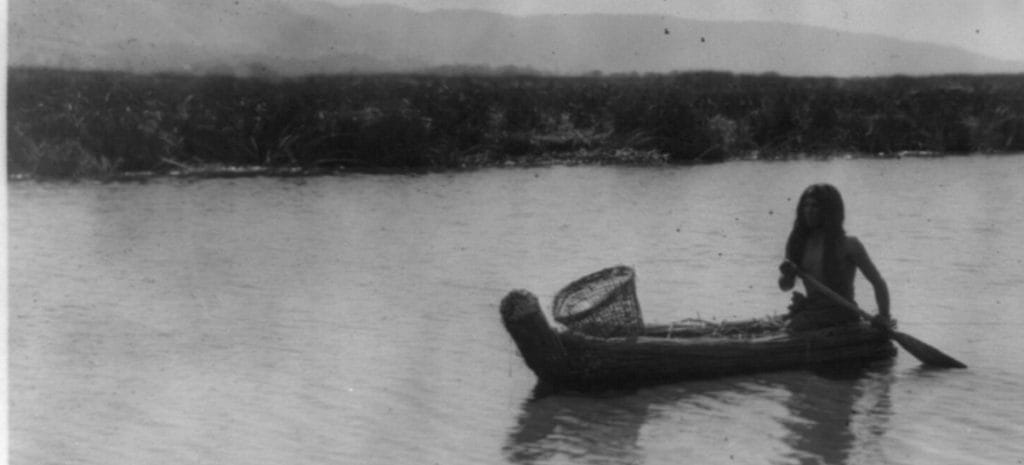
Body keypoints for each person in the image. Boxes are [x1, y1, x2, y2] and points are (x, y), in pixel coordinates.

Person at [777, 184, 893, 331]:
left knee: (796, 326)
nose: (809, 211)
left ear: (829, 211)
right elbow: (785, 286)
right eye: (806, 205)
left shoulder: (849, 245)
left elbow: (878, 282)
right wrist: (787, 275)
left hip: (842, 314)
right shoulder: (797, 243)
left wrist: (884, 316)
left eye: (815, 206)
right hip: (812, 310)